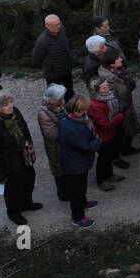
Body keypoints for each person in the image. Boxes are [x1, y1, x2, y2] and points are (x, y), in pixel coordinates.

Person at [0, 92, 40, 226]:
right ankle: (13, 213)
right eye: (5, 104)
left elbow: (25, 130)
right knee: (12, 191)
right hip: (9, 166)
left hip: (24, 159)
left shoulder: (15, 113)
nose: (10, 106)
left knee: (28, 181)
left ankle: (26, 204)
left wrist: (30, 147)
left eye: (10, 102)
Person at [57, 94, 101, 228]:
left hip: (77, 162)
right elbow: (85, 147)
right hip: (76, 164)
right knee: (76, 191)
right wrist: (98, 142)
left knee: (81, 187)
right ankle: (77, 217)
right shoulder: (71, 129)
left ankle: (83, 202)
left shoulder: (68, 119)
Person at [98, 49, 140, 156]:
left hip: (127, 106)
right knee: (121, 133)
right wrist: (122, 107)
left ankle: (127, 148)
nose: (121, 59)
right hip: (121, 110)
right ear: (111, 63)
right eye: (117, 59)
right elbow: (112, 99)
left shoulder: (119, 71)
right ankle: (121, 154)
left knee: (128, 130)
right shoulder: (109, 79)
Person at [86, 75, 126, 192]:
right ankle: (102, 180)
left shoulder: (108, 97)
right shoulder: (94, 105)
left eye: (106, 86)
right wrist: (120, 117)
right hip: (103, 136)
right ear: (96, 90)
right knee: (103, 159)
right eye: (103, 88)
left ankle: (110, 175)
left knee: (109, 157)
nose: (107, 89)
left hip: (112, 133)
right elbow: (106, 124)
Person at [36, 84, 70, 201]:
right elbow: (52, 134)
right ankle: (63, 195)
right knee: (59, 171)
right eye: (60, 98)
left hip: (64, 145)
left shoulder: (60, 106)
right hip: (55, 148)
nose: (62, 100)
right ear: (51, 100)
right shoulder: (43, 114)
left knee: (67, 169)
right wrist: (68, 126)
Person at [32, 14, 74, 99]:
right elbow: (37, 58)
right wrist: (51, 66)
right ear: (47, 26)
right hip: (53, 74)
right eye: (55, 25)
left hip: (66, 69)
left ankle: (71, 108)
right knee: (55, 96)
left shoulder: (62, 30)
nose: (59, 26)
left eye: (59, 23)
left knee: (69, 92)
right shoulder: (42, 41)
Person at [85, 16, 124, 82]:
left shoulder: (111, 33)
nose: (108, 28)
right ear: (97, 28)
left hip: (119, 66)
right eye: (105, 26)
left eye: (108, 25)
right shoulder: (96, 43)